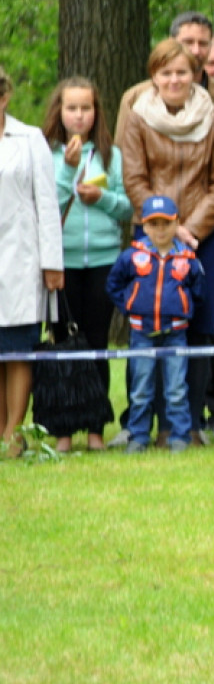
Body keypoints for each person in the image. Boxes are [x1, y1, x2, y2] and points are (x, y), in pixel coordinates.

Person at [118, 38, 214, 446]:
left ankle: (186, 425)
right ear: (154, 76)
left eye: (182, 72)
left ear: (196, 75)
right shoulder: (136, 118)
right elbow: (133, 179)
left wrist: (190, 230)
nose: (174, 79)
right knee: (146, 326)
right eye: (166, 72)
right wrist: (163, 226)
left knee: (199, 326)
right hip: (151, 235)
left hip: (202, 238)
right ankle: (138, 426)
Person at [41, 77, 132, 452]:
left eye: (86, 108)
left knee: (96, 341)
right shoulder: (45, 154)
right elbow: (46, 205)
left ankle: (95, 428)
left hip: (103, 260)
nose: (79, 116)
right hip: (59, 263)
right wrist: (67, 169)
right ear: (59, 113)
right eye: (72, 108)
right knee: (62, 341)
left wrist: (104, 198)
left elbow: (127, 207)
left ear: (97, 114)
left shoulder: (111, 155)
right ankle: (64, 431)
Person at [106, 196, 204, 454]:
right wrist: (130, 306)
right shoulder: (132, 256)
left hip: (175, 333)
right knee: (140, 388)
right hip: (141, 333)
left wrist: (183, 307)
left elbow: (198, 289)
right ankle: (138, 436)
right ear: (144, 227)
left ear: (177, 224)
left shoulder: (187, 258)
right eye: (154, 224)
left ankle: (180, 436)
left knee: (176, 388)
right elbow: (113, 285)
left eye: (166, 223)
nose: (160, 230)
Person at [0, 66, 64, 459]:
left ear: (4, 96)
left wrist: (52, 263)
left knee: (19, 348)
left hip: (21, 259)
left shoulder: (29, 139)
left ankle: (14, 432)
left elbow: (47, 203)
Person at [115, 11, 214, 151]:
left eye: (203, 43)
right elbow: (123, 160)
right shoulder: (135, 99)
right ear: (171, 42)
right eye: (188, 42)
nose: (196, 50)